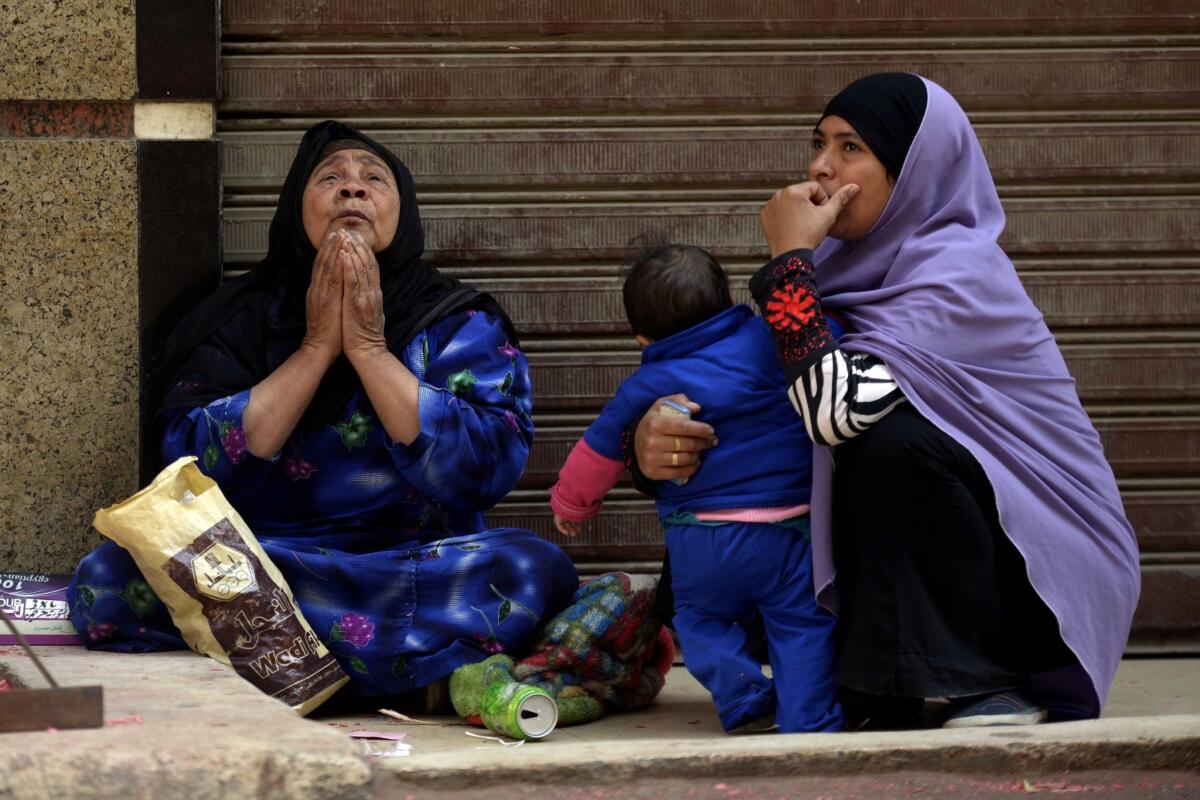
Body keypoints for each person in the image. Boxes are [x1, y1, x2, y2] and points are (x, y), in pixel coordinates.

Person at [632, 74, 1140, 727]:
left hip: (1036, 580)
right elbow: (749, 395)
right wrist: (649, 444)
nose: (820, 165)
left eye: (852, 148)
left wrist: (789, 259)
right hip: (917, 570)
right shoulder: (843, 271)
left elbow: (833, 410)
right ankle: (871, 682)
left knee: (884, 441)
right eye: (819, 143)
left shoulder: (960, 274)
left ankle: (987, 680)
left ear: (915, 174)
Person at [69, 121, 579, 698]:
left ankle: (273, 666)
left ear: (402, 209)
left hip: (412, 560)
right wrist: (314, 350)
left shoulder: (456, 320)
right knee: (110, 580)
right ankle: (415, 673)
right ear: (294, 206)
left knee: (531, 570)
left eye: (373, 179)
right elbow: (187, 473)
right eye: (331, 177)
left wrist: (368, 350)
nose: (353, 190)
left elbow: (487, 469)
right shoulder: (240, 318)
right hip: (260, 561)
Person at [549, 240, 842, 733]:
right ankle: (810, 723)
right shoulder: (769, 338)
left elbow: (597, 452)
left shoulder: (647, 382)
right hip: (788, 532)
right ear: (729, 302)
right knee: (801, 624)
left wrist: (570, 504)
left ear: (642, 339)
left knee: (697, 621)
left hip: (699, 539)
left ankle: (746, 700)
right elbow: (829, 337)